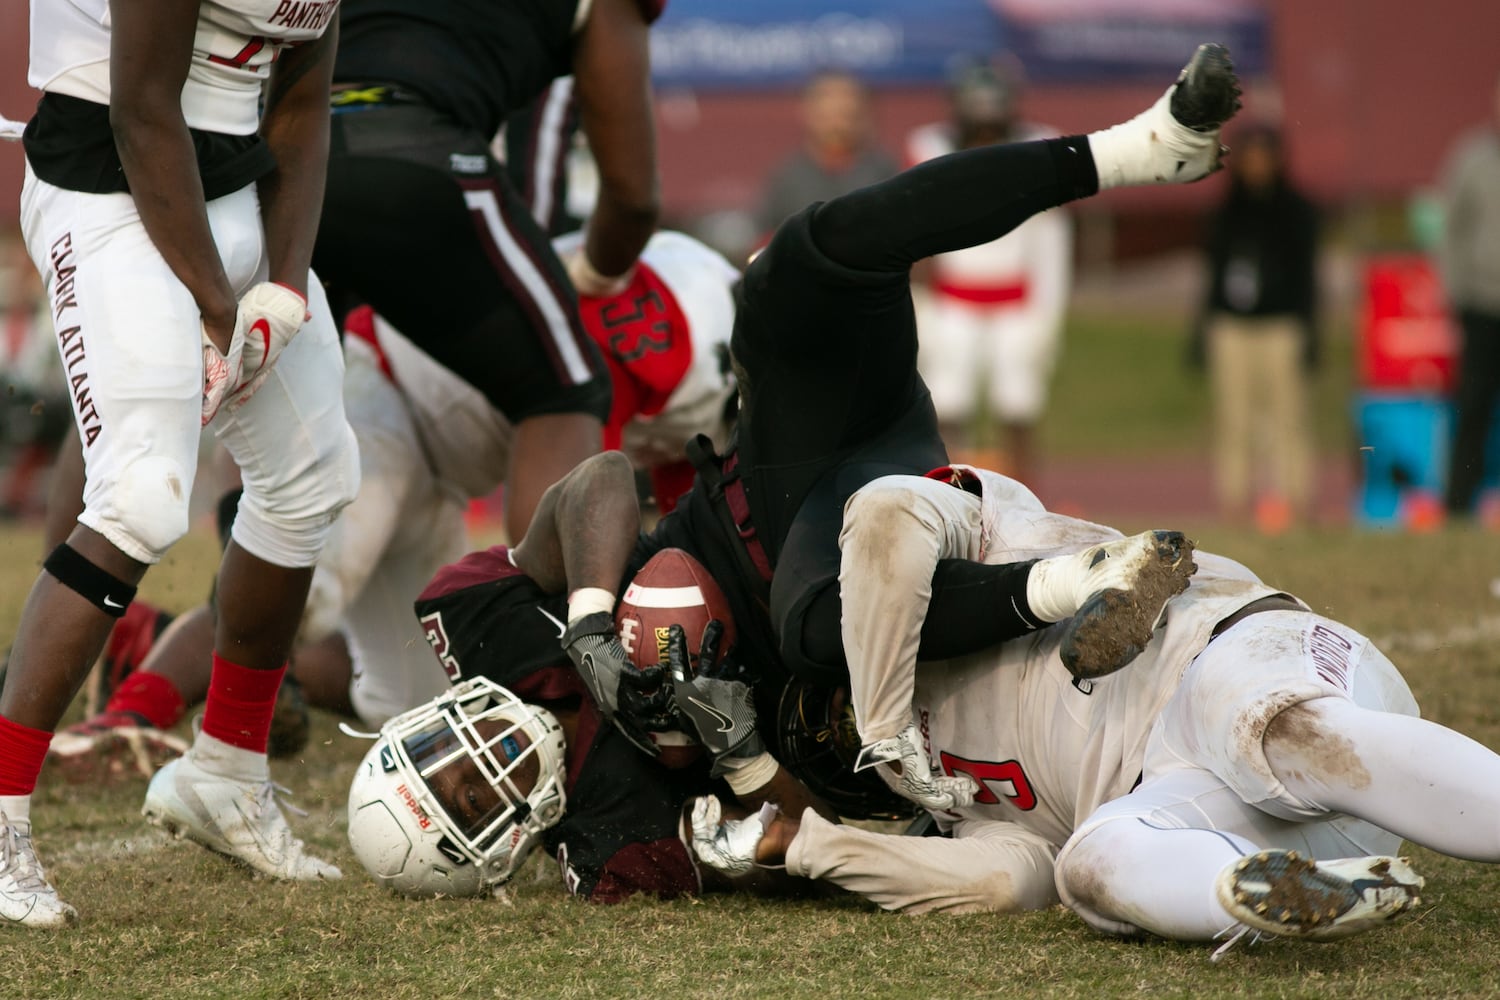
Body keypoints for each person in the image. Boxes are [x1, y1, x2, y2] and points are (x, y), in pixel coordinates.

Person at [690, 463, 1500, 957]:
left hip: (1235, 657)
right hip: (1206, 799)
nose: (839, 728)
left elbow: (887, 515)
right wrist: (815, 849)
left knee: (1277, 733)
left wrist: (879, 717)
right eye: (832, 741)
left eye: (832, 707)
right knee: (1092, 863)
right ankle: (1276, 894)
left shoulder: (980, 527)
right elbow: (1007, 882)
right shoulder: (950, 803)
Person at [46, 229, 743, 779]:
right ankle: (128, 718)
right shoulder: (679, 341)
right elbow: (574, 512)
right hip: (390, 395)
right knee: (307, 591)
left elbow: (687, 541)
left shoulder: (710, 315)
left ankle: (156, 639)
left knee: (414, 699)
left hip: (445, 468)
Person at [1, 0, 357, 928]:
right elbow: (142, 108)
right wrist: (215, 304)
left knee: (314, 472)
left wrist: (281, 282)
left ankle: (227, 773)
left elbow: (305, 103)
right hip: (108, 186)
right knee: (141, 498)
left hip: (231, 182)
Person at [311, 0, 666, 544]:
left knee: (282, 429)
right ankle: (543, 621)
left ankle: (230, 620)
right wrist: (592, 276)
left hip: (288, 163)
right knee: (564, 393)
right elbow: (633, 199)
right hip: (419, 154)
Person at [906, 58, 1072, 484]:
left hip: (1015, 301)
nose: (985, 135)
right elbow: (916, 234)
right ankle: (948, 491)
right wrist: (921, 304)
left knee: (1019, 404)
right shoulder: (930, 150)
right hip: (953, 301)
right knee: (948, 403)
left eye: (992, 124)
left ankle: (1026, 494)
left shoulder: (1036, 150)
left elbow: (1051, 245)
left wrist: (1047, 315)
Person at [1189, 122, 1320, 531]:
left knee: (1287, 417)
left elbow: (1307, 278)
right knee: (1234, 418)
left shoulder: (1298, 211)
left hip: (1281, 326)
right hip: (1232, 328)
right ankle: (1234, 505)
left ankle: (1295, 504)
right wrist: (1200, 331)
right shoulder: (1226, 212)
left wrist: (1310, 330)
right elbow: (1211, 276)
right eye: (1251, 157)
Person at [1438, 73, 1500, 519]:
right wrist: (1457, 290)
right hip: (1481, 304)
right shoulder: (1472, 156)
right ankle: (1458, 507)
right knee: (1474, 407)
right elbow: (1450, 228)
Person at [754, 70, 899, 243]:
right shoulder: (787, 177)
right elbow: (766, 239)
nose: (838, 126)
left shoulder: (885, 172)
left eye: (847, 115)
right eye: (828, 116)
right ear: (807, 114)